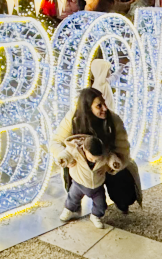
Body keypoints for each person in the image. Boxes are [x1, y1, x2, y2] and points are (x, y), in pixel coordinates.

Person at [50, 87, 140, 220]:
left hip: (106, 163)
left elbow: (124, 149)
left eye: (104, 103)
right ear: (88, 107)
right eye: (99, 106)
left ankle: (122, 202)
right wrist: (67, 159)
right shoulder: (73, 118)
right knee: (71, 181)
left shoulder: (113, 120)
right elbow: (55, 141)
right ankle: (73, 203)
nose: (104, 108)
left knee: (124, 191)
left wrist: (111, 166)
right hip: (80, 167)